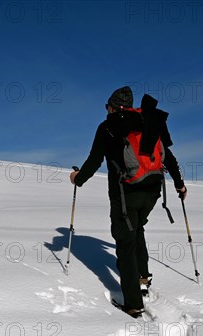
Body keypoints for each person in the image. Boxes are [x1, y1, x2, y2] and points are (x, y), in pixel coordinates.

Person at [70, 86, 186, 317]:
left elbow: (94, 160)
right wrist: (179, 184)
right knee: (137, 228)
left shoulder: (107, 127)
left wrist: (77, 178)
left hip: (125, 193)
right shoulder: (148, 120)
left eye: (107, 106)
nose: (106, 110)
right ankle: (143, 279)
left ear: (112, 107)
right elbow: (169, 157)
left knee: (125, 242)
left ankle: (133, 303)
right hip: (153, 189)